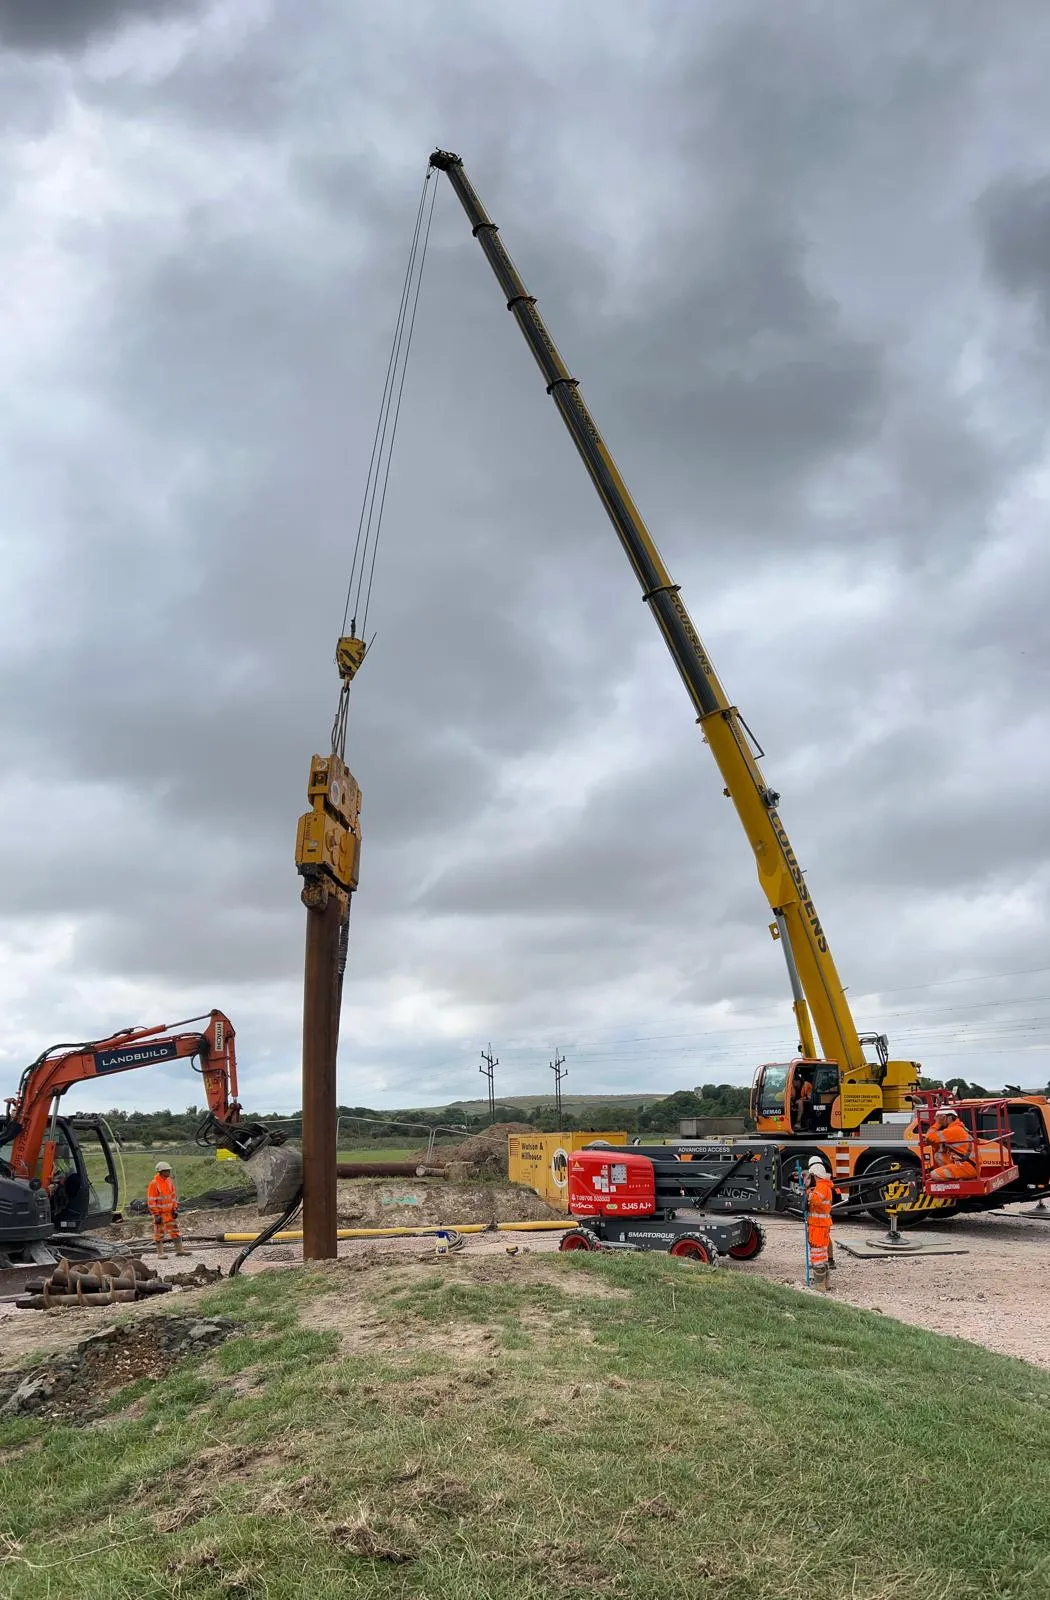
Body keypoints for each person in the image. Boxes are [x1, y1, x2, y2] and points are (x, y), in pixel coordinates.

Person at [803, 1155, 836, 1290]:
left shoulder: (821, 1186)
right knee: (822, 1254)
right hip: (822, 1224)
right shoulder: (825, 1186)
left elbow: (816, 1200)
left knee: (817, 1254)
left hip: (818, 1225)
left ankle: (819, 1285)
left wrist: (808, 1193)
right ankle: (825, 1283)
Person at [925, 1105, 977, 1182]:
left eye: (939, 1117)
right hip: (969, 1164)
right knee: (938, 1156)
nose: (936, 1120)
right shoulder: (958, 1127)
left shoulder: (953, 1130)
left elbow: (929, 1137)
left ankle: (957, 1181)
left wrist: (937, 1124)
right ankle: (957, 1176)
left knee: (934, 1174)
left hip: (967, 1167)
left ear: (947, 1117)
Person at [146, 1160, 186, 1257]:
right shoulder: (154, 1183)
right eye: (166, 1170)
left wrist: (175, 1208)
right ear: (161, 1171)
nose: (169, 1172)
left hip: (170, 1213)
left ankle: (180, 1250)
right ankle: (160, 1254)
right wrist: (156, 1214)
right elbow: (151, 1200)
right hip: (160, 1214)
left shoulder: (169, 1181)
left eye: (169, 1170)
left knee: (175, 1232)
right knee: (159, 1234)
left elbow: (173, 1196)